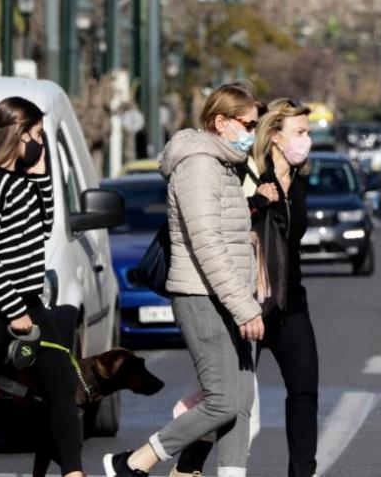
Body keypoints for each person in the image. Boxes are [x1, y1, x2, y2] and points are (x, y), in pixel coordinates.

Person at [104, 84, 265, 477]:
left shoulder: (224, 165)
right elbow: (207, 244)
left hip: (224, 296)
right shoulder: (198, 165)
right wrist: (245, 306)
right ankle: (135, 461)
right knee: (224, 400)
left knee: (241, 401)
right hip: (201, 296)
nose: (252, 133)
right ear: (220, 121)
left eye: (256, 125)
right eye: (247, 124)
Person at [171, 98, 320, 477]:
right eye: (300, 132)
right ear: (274, 136)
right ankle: (187, 468)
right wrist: (257, 202)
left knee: (304, 390)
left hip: (288, 301)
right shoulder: (243, 174)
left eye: (308, 132)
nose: (307, 141)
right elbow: (221, 225)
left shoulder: (299, 180)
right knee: (228, 398)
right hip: (245, 302)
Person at [0, 97, 85, 477]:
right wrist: (14, 311)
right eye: (36, 134)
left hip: (28, 298)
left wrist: (41, 174)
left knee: (62, 385)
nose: (40, 142)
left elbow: (44, 227)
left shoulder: (21, 181)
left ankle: (73, 471)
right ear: (17, 134)